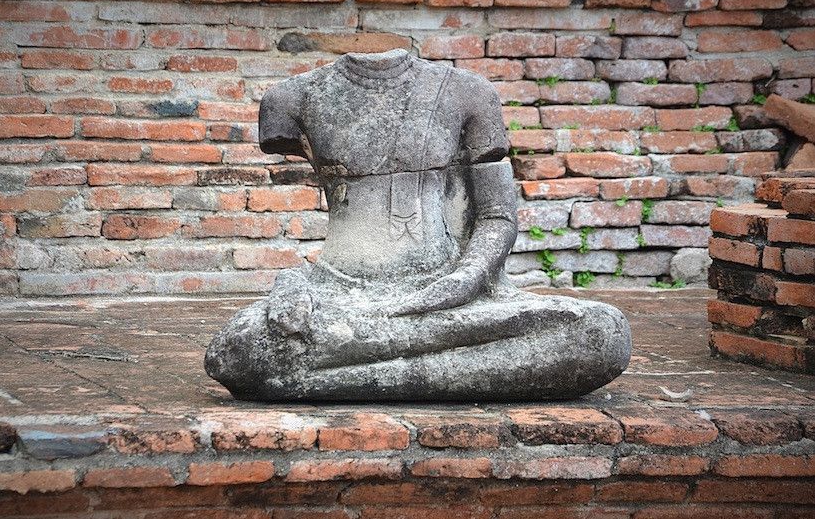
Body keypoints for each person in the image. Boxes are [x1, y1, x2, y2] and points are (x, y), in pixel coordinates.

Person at [206, 49, 631, 401]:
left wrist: (466, 279)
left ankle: (327, 377)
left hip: (447, 296)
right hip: (337, 295)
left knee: (600, 333)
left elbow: (497, 215)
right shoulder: (290, 98)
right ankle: (413, 370)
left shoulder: (467, 92)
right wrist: (294, 285)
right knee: (239, 349)